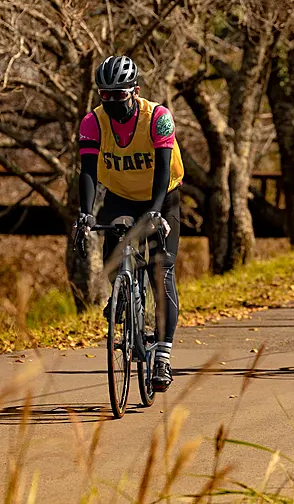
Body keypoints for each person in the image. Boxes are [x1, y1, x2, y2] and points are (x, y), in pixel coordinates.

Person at [74, 55, 185, 392]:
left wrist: (155, 211)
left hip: (162, 196)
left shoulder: (159, 119)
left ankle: (163, 356)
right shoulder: (92, 122)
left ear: (134, 92)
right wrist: (86, 212)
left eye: (118, 95)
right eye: (104, 95)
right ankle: (125, 293)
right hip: (121, 196)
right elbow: (89, 171)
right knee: (112, 254)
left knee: (160, 268)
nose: (111, 102)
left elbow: (164, 169)